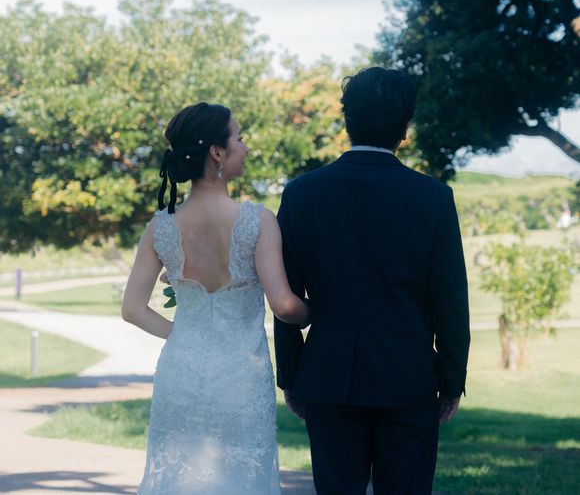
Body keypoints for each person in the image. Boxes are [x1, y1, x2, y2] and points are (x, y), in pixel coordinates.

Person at [274, 67, 470, 495]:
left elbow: (285, 293)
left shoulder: (302, 193)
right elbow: (450, 300)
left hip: (328, 377)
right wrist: (452, 379)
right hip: (409, 379)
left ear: (347, 120)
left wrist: (291, 373)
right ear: (405, 127)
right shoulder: (433, 197)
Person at [122, 102, 309, 495]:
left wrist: (183, 334)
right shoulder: (257, 221)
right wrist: (317, 312)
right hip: (242, 380)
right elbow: (284, 305)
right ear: (217, 152)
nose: (246, 147)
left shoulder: (161, 227)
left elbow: (133, 309)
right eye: (239, 138)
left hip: (180, 374)